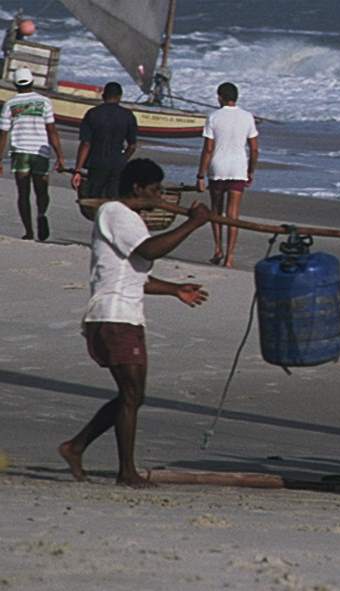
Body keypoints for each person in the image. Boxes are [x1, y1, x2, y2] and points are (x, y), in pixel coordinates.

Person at [58, 158, 211, 488]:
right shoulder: (117, 214)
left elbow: (137, 276)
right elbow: (151, 250)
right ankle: (126, 471)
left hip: (125, 313)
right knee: (131, 394)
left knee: (132, 395)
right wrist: (194, 223)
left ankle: (76, 447)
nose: (159, 197)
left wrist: (175, 290)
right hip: (113, 314)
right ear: (138, 188)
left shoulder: (130, 219)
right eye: (154, 190)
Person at [196, 82, 258, 268]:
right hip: (238, 167)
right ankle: (230, 257)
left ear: (220, 97)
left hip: (218, 167)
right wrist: (251, 171)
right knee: (233, 215)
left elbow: (208, 149)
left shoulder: (214, 117)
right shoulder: (247, 117)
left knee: (216, 211)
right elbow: (254, 149)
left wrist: (201, 174)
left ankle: (218, 249)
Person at [0, 67, 65, 241]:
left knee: (23, 193)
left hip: (20, 152)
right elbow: (52, 130)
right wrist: (60, 156)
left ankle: (29, 231)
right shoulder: (44, 102)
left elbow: (3, 135)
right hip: (41, 152)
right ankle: (41, 214)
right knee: (41, 191)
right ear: (32, 82)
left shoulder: (9, 104)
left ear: (15, 84)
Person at [71, 81, 138, 198]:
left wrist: (78, 170)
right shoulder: (128, 116)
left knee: (94, 200)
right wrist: (122, 160)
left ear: (103, 96)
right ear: (120, 97)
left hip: (96, 163)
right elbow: (132, 146)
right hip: (117, 164)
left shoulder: (92, 113)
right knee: (113, 198)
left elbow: (86, 144)